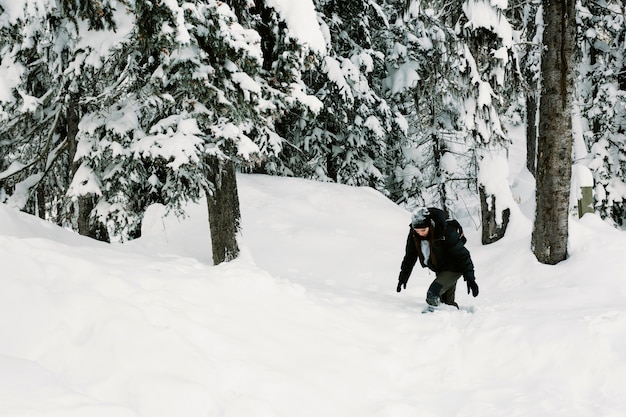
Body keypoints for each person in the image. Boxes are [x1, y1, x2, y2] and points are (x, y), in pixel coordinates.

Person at [396, 207, 479, 308]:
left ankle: (435, 317)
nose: (420, 233)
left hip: (454, 268)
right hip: (440, 269)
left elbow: (463, 255)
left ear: (430, 225)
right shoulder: (414, 235)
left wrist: (470, 279)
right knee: (447, 303)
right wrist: (403, 278)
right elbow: (410, 256)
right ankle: (453, 317)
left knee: (433, 294)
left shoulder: (445, 232)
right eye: (417, 230)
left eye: (423, 230)